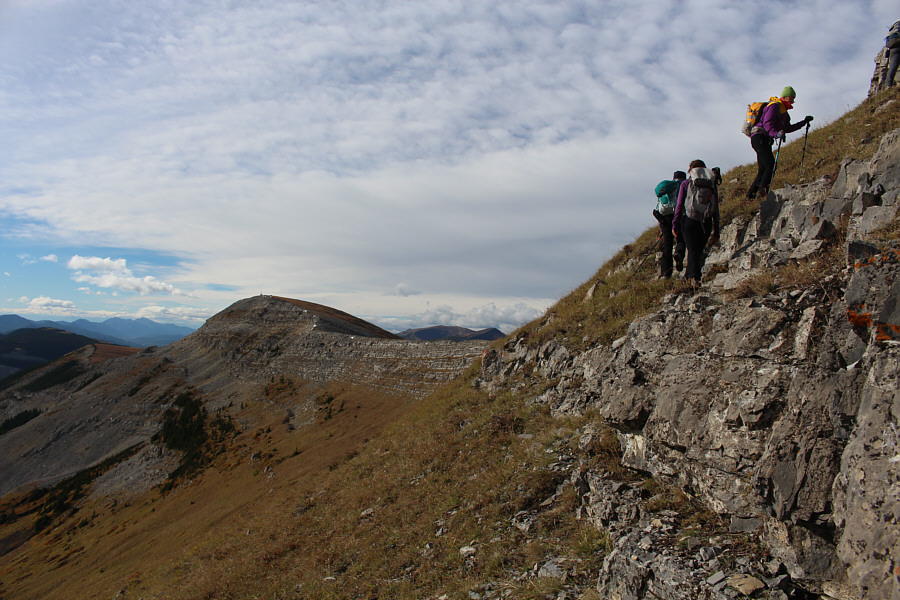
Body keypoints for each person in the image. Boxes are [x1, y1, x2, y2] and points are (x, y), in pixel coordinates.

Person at [745, 86, 813, 200]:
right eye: (792, 98)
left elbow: (787, 128)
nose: (793, 101)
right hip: (759, 137)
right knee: (770, 165)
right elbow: (767, 124)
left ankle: (750, 196)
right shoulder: (774, 106)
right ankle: (763, 194)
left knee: (764, 168)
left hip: (764, 139)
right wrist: (776, 134)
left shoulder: (784, 112)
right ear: (785, 97)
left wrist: (804, 122)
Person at [673, 160, 720, 285]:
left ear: (691, 170)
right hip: (706, 222)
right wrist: (716, 230)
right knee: (697, 251)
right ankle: (689, 277)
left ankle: (694, 278)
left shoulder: (686, 183)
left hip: (689, 220)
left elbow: (679, 205)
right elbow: (715, 209)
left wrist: (675, 223)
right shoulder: (711, 184)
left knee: (692, 250)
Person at [653, 170, 687, 278]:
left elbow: (659, 204)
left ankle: (666, 272)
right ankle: (679, 253)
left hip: (664, 217)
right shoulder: (682, 185)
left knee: (667, 244)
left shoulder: (667, 187)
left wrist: (661, 225)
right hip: (677, 214)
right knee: (681, 238)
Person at [885, 20, 900, 88]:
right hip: (898, 47)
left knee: (893, 67)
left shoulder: (891, 32)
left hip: (892, 49)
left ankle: (888, 85)